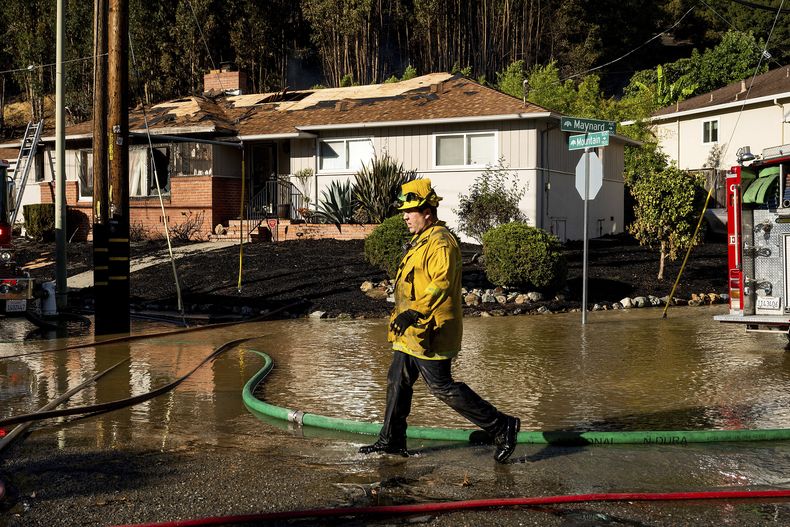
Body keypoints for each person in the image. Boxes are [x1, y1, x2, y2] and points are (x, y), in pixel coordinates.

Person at [359, 179, 520, 463]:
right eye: (404, 212)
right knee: (397, 380)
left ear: (428, 212)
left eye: (411, 211)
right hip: (411, 330)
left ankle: (501, 426)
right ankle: (392, 441)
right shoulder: (421, 240)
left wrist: (414, 311)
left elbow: (440, 284)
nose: (405, 217)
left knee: (442, 386)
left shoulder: (441, 243)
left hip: (431, 330)